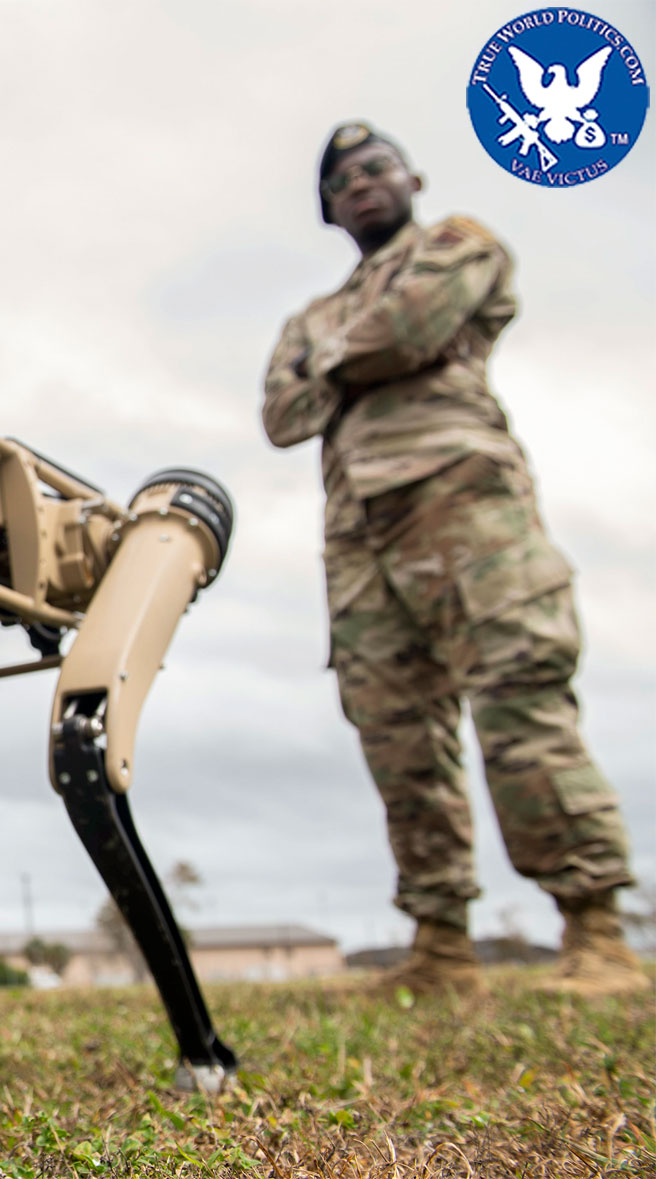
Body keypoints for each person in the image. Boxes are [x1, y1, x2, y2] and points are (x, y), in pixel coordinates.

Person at [262, 123, 646, 999]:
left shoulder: (457, 242)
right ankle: (440, 944)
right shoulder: (309, 314)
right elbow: (282, 416)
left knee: (519, 693)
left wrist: (334, 361)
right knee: (397, 731)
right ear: (326, 209)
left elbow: (410, 326)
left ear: (412, 177)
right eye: (342, 180)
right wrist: (351, 352)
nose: (360, 184)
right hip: (357, 532)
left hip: (463, 500)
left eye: (375, 168)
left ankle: (595, 929)